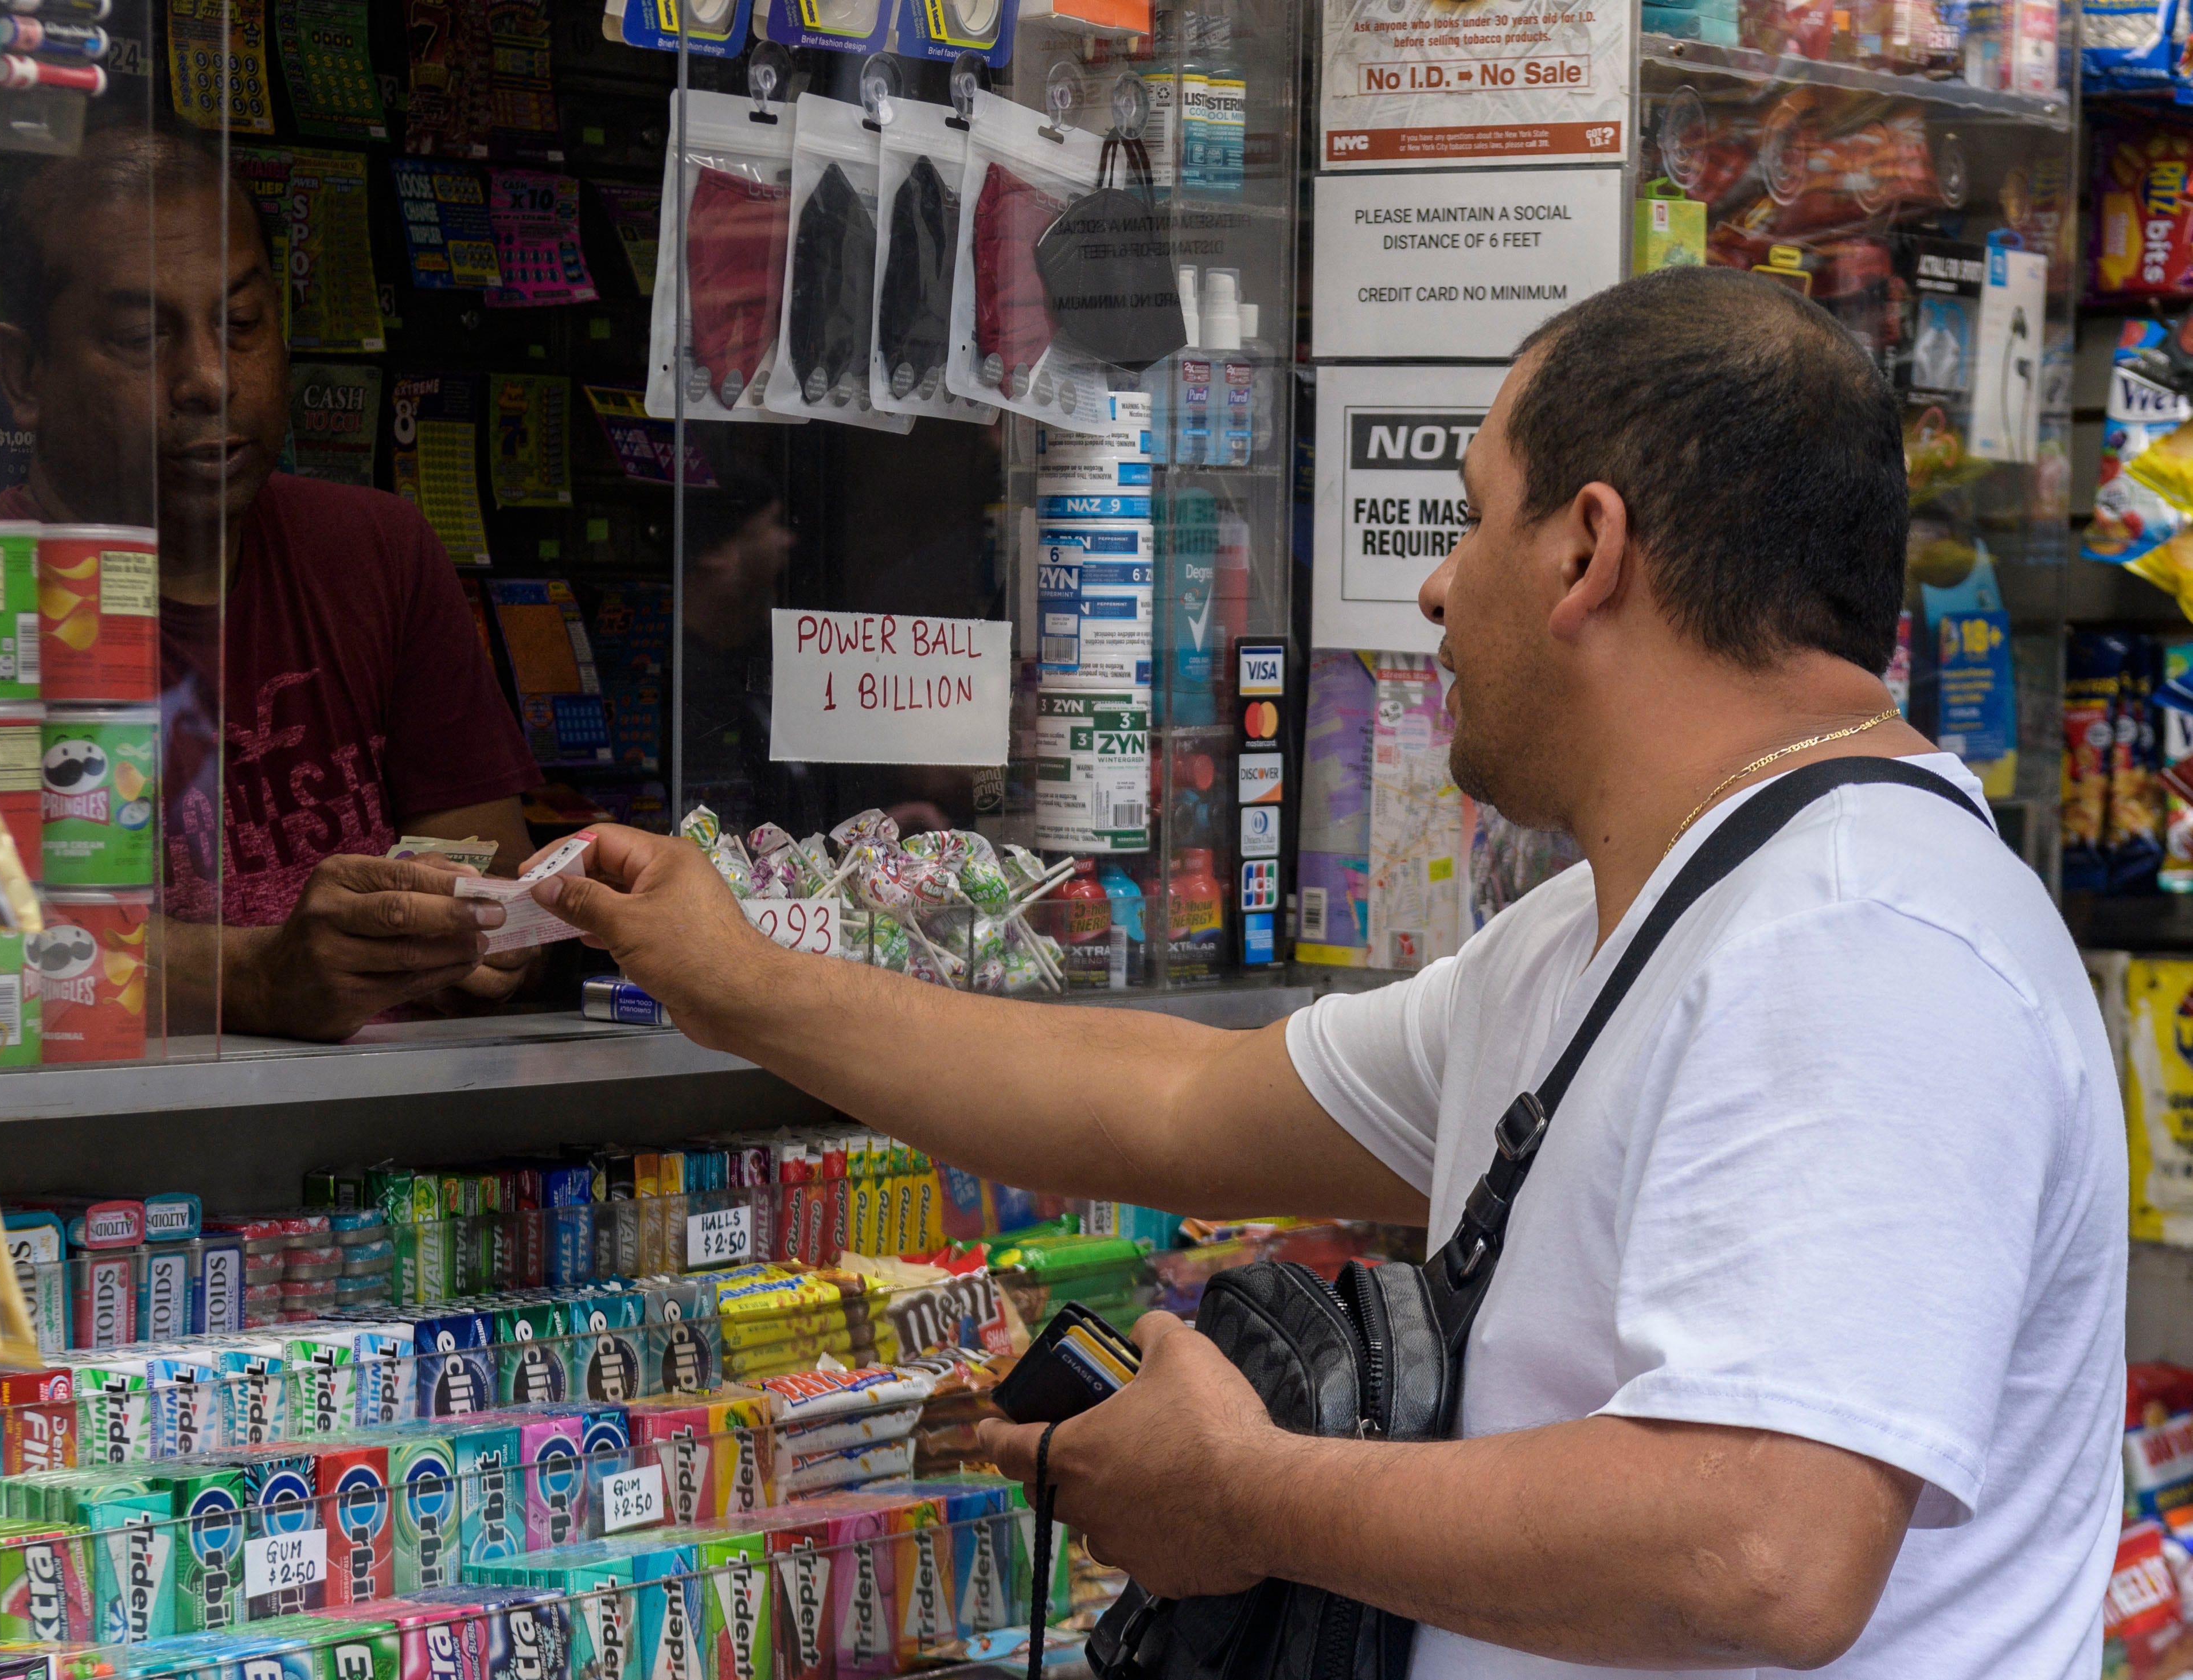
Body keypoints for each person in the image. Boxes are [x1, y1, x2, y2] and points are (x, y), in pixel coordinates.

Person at [534, 267, 2124, 1677]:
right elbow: (1167, 1101)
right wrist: (735, 978)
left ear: (1584, 548)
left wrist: (1241, 1497)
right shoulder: (1617, 928)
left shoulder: (1862, 936)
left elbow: (1759, 1548)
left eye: (1468, 511)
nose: (1434, 586)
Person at [0, 127, 544, 1041]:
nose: (208, 379)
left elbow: (498, 875)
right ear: (24, 375)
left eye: (240, 325)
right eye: (138, 338)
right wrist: (255, 975)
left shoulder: (377, 551)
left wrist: (479, 931)